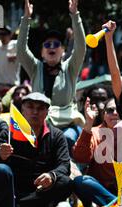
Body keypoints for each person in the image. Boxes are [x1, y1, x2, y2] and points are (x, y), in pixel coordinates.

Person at [17, 0, 86, 152]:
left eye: (56, 44)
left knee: (67, 139)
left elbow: (81, 47)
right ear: (42, 52)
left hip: (66, 125)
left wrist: (75, 15)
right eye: (47, 45)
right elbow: (21, 50)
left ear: (63, 51)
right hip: (38, 124)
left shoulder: (70, 68)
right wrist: (26, 19)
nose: (52, 47)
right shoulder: (35, 68)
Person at [0, 92, 72, 207]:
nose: (35, 112)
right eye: (30, 107)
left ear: (47, 112)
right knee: (1, 170)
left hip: (41, 190)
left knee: (65, 183)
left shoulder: (57, 135)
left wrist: (52, 175)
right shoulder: (8, 133)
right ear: (22, 109)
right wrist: (0, 155)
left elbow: (65, 165)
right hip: (14, 189)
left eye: (40, 108)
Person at [72, 96, 119, 207]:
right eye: (110, 110)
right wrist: (88, 123)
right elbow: (80, 157)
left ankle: (114, 206)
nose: (115, 113)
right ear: (104, 115)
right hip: (101, 190)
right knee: (81, 182)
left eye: (119, 109)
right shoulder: (94, 132)